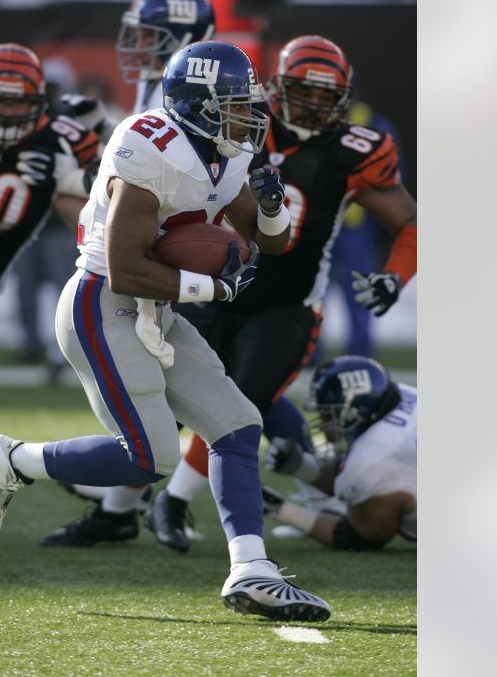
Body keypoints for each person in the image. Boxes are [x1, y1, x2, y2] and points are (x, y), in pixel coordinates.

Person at [0, 40, 332, 622]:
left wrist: (271, 209)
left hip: (156, 308)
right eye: (235, 104)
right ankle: (13, 459)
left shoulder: (225, 149)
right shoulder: (147, 147)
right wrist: (213, 288)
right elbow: (126, 265)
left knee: (239, 424)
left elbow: (271, 242)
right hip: (101, 302)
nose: (249, 117)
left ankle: (252, 570)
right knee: (149, 458)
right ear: (197, 103)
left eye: (248, 104)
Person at [143, 35, 418, 552]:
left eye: (325, 94)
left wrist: (396, 276)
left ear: (343, 96)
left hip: (286, 302)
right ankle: (119, 499)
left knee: (241, 397)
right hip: (213, 285)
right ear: (276, 86)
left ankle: (173, 501)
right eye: (303, 91)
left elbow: (411, 224)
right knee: (169, 392)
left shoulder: (354, 151)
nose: (314, 103)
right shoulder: (233, 115)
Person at [38, 0, 220, 543]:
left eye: (150, 35)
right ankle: (120, 506)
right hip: (139, 262)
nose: (137, 43)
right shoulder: (156, 91)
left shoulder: (199, 97)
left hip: (179, 261)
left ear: (183, 36)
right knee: (169, 395)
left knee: (206, 393)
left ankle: (111, 493)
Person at [0, 43, 99, 401]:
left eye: (18, 102)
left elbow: (107, 200)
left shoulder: (60, 143)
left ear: (38, 103)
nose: (8, 112)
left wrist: (69, 178)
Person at [262, 356, 417, 549]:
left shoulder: (371, 461)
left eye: (327, 415)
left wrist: (280, 509)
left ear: (355, 411)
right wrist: (303, 467)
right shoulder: (404, 393)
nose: (322, 422)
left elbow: (360, 537)